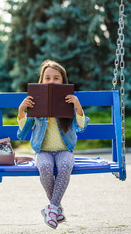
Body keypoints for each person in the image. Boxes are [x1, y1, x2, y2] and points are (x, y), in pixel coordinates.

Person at [17, 60, 89, 229]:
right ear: (41, 81)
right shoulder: (36, 100)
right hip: (42, 152)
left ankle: (51, 209)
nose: (51, 81)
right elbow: (24, 130)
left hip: (65, 150)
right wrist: (22, 111)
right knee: (45, 168)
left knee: (65, 165)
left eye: (56, 78)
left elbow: (80, 127)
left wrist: (78, 107)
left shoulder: (69, 101)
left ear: (63, 81)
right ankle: (56, 208)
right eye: (47, 77)